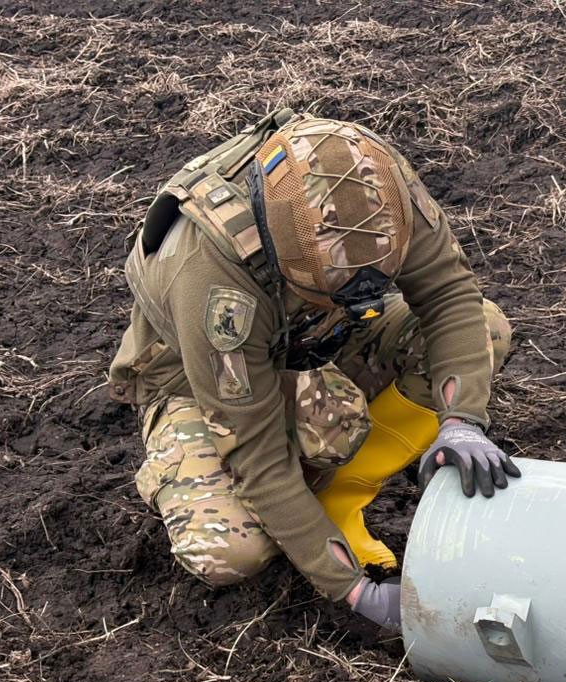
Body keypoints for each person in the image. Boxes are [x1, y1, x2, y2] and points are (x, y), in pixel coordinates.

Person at [106, 109, 520, 628]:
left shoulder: (374, 183)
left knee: (484, 331)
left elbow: (450, 295)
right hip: (199, 381)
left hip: (315, 337)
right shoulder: (214, 277)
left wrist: (461, 421)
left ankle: (340, 499)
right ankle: (187, 470)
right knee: (227, 551)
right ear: (286, 257)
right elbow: (254, 451)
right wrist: (351, 589)